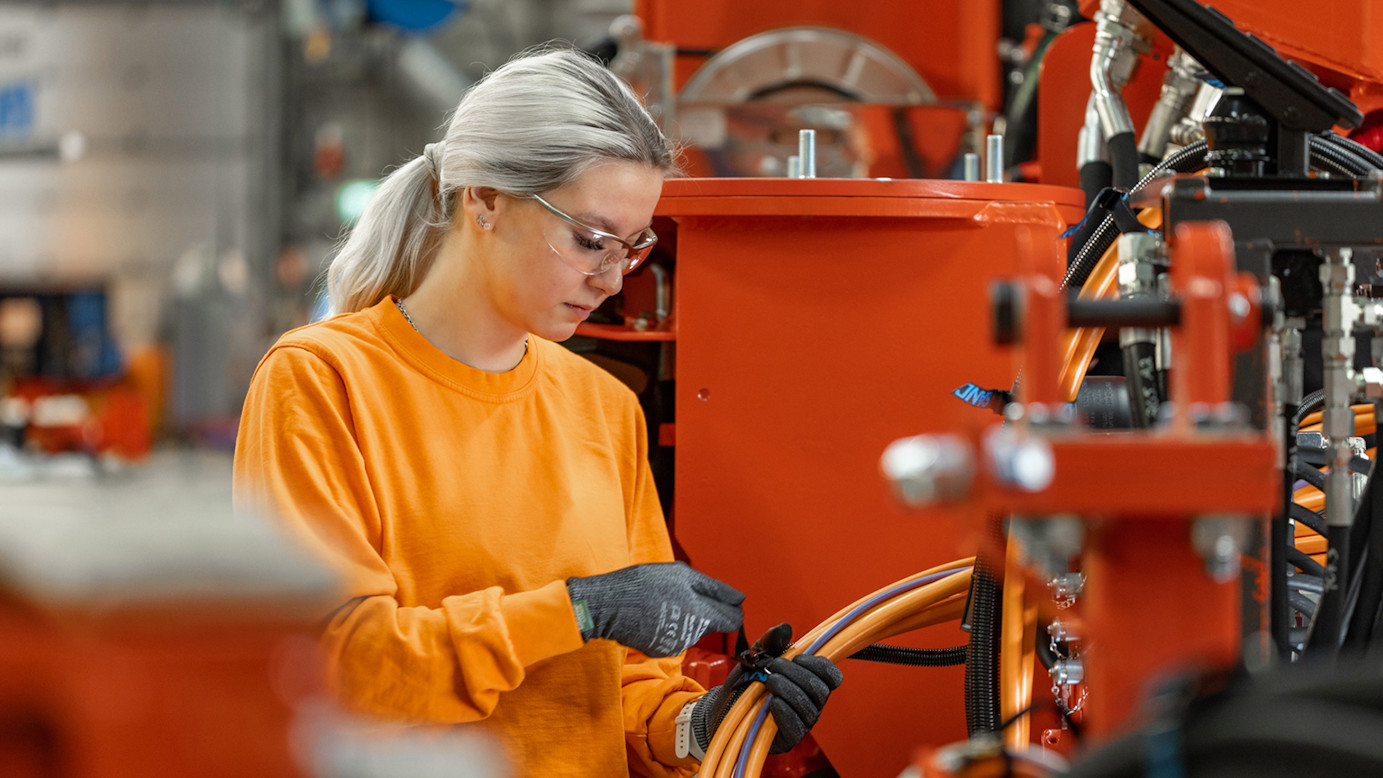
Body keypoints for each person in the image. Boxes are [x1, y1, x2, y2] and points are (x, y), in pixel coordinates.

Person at [233, 47, 841, 777]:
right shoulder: (325, 380)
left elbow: (629, 688)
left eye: (632, 246)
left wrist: (707, 722)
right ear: (484, 198)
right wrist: (575, 609)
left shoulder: (603, 408)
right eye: (589, 240)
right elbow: (336, 671)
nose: (612, 279)